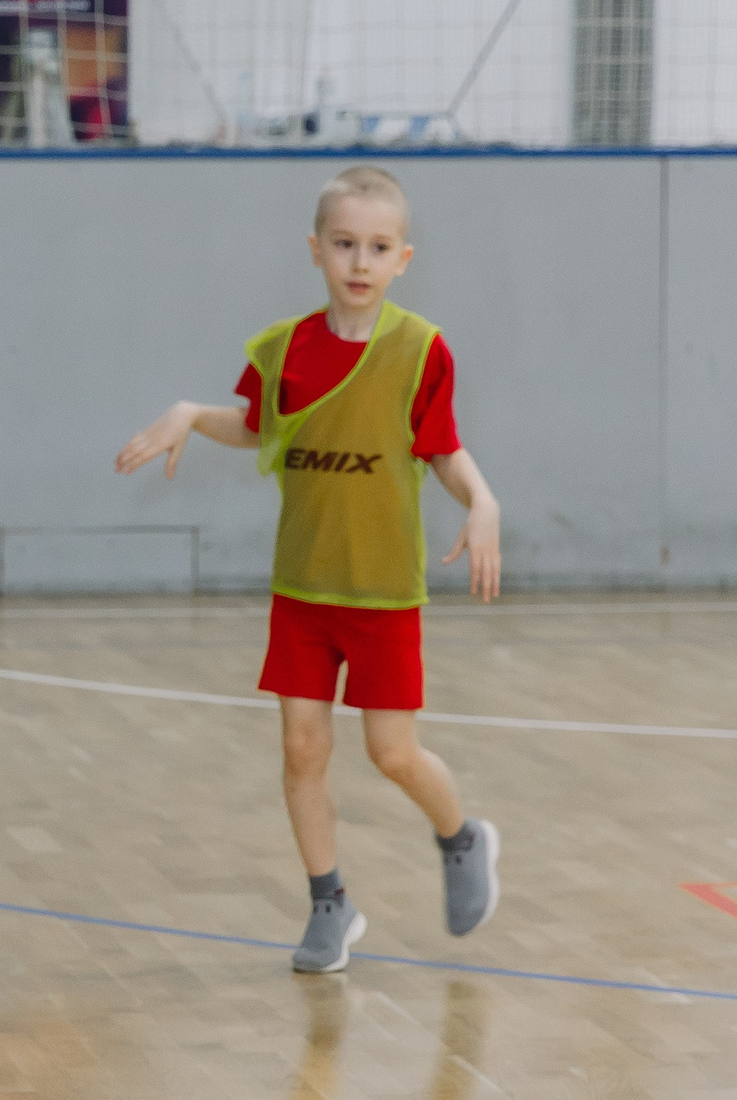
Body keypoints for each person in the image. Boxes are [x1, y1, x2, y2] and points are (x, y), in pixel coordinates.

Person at [115, 164, 504, 975]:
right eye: (343, 244)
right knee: (301, 750)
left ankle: (462, 836)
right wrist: (189, 411)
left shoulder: (421, 350)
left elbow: (441, 449)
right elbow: (258, 427)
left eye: (377, 247)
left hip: (384, 593)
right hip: (302, 590)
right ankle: (330, 902)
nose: (359, 261)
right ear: (316, 249)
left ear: (403, 258)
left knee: (392, 753)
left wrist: (482, 499)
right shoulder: (285, 348)